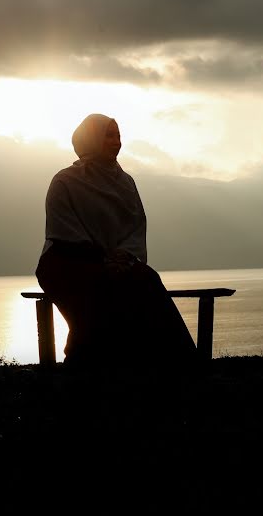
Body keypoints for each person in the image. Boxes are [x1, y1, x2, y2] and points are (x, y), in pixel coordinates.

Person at [35, 113, 197, 371]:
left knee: (147, 280)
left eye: (118, 135)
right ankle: (87, 371)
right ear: (90, 139)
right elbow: (63, 228)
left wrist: (123, 255)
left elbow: (135, 226)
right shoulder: (65, 181)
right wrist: (103, 259)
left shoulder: (125, 182)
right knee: (101, 296)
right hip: (68, 263)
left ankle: (182, 367)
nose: (116, 142)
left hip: (117, 264)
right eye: (108, 135)